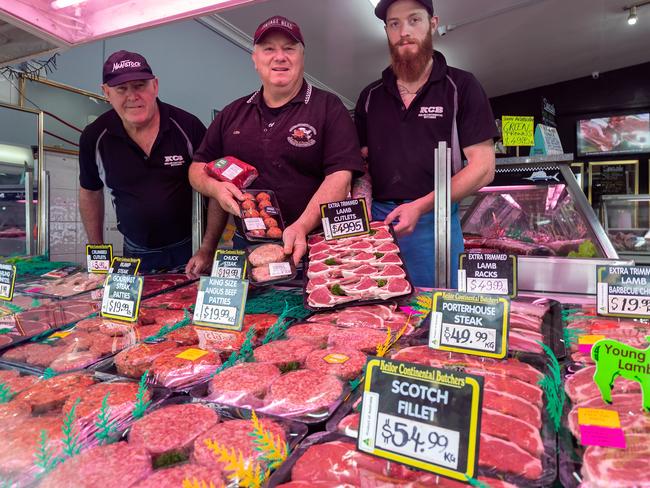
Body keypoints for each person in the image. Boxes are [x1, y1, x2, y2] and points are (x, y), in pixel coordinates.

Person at [189, 16, 363, 264]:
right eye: (269, 49)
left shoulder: (329, 107)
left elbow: (340, 176)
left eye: (289, 49)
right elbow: (198, 168)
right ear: (255, 59)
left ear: (302, 57)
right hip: (245, 245)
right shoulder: (232, 113)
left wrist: (301, 226)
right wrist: (215, 189)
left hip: (312, 245)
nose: (279, 57)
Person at [355, 0, 497, 288]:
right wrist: (361, 210)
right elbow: (363, 165)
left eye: (414, 20)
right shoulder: (370, 96)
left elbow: (484, 168)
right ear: (386, 31)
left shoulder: (462, 86)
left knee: (433, 315)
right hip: (379, 225)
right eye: (394, 24)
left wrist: (421, 206)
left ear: (432, 24)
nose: (404, 31)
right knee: (377, 318)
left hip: (436, 221)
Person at [79, 50, 222, 275]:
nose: (132, 96)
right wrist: (97, 251)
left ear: (155, 86)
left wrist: (208, 248)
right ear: (106, 92)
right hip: (135, 252)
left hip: (190, 249)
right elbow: (90, 192)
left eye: (139, 86)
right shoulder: (95, 136)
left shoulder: (187, 126)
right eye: (121, 89)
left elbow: (216, 188)